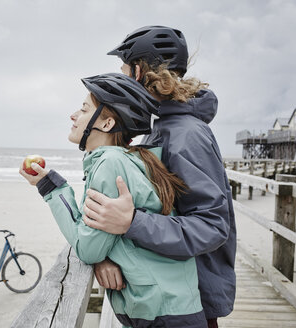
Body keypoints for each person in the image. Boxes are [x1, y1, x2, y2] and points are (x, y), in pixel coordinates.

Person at [20, 73, 207, 328]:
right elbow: (101, 238)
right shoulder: (128, 159)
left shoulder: (110, 163)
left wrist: (50, 188)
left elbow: (88, 248)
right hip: (169, 305)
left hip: (161, 313)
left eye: (84, 109)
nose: (73, 116)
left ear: (106, 124)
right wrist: (103, 256)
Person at [82, 26, 236, 328]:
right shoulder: (160, 128)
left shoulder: (186, 134)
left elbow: (213, 225)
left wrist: (130, 223)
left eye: (125, 70)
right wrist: (103, 253)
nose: (122, 78)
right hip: (170, 294)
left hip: (189, 302)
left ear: (138, 71)